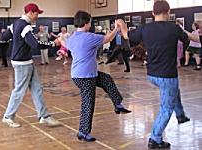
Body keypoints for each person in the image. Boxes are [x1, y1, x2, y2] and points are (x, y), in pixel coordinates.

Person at [119, 1, 194, 148]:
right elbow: (187, 40)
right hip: (167, 75)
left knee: (174, 89)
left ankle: (180, 115)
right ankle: (155, 139)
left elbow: (127, 36)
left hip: (152, 74)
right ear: (168, 12)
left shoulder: (145, 28)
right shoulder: (175, 28)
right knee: (166, 108)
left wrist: (122, 25)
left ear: (153, 13)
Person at [65, 10, 131, 142]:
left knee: (107, 79)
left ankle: (117, 104)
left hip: (81, 75)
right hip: (85, 76)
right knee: (88, 103)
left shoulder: (72, 38)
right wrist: (118, 28)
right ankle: (83, 132)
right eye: (90, 21)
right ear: (86, 23)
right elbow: (108, 39)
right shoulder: (88, 37)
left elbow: (67, 45)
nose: (91, 24)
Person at [0, 3, 61, 128]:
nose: (37, 16)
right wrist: (54, 43)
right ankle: (8, 116)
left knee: (37, 89)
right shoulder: (25, 26)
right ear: (31, 13)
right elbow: (35, 44)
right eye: (37, 13)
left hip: (27, 61)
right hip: (22, 63)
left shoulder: (15, 24)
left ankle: (44, 116)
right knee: (19, 90)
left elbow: (3, 37)